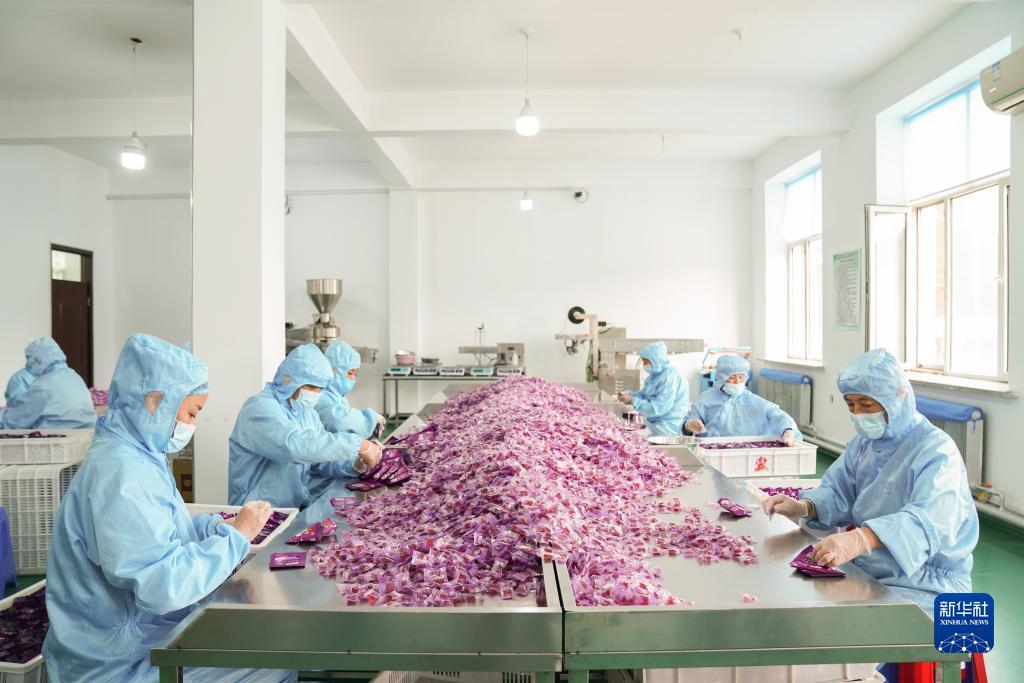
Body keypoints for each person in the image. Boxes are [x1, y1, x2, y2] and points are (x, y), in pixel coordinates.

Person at [43, 333, 295, 682]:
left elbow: (163, 532)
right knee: (274, 660)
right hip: (116, 663)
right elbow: (162, 587)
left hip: (139, 635)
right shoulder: (121, 474)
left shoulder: (140, 454)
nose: (191, 425)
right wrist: (235, 539)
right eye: (191, 412)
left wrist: (213, 529)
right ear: (154, 402)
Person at [763, 348, 978, 611]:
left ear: (898, 396)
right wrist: (805, 506)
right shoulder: (865, 444)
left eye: (866, 405)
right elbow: (839, 490)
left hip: (926, 585)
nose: (858, 414)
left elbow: (929, 521)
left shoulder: (936, 451)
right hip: (871, 570)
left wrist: (861, 539)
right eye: (851, 405)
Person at [228, 344, 382, 516]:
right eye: (311, 387)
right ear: (291, 379)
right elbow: (293, 446)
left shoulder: (307, 414)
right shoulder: (259, 408)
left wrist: (353, 465)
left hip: (291, 510)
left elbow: (319, 462)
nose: (315, 394)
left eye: (320, 389)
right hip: (255, 513)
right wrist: (357, 444)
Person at [683, 354, 799, 444]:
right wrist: (691, 424)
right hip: (710, 449)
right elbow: (692, 419)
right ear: (721, 377)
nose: (737, 381)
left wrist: (787, 429)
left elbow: (775, 413)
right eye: (732, 377)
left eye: (741, 377)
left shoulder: (752, 400)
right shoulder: (706, 399)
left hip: (744, 450)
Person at [0, 337, 95, 429]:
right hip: (88, 433)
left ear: (37, 360)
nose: (28, 364)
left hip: (60, 436)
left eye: (29, 358)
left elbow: (16, 420)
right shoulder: (74, 376)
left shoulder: (44, 385)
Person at [617, 341, 689, 436]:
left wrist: (633, 400)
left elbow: (659, 408)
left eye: (646, 361)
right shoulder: (654, 376)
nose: (644, 364)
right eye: (643, 361)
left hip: (668, 428)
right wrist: (629, 394)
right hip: (655, 423)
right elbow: (644, 395)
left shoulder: (670, 376)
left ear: (656, 360)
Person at [317, 340, 385, 439]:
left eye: (355, 374)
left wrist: (360, 442)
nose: (352, 378)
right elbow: (339, 421)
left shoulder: (338, 397)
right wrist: (369, 419)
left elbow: (342, 432)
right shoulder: (320, 396)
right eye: (349, 373)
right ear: (332, 370)